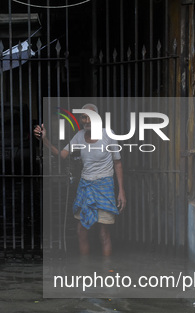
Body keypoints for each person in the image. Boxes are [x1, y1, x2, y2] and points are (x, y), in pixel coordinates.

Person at [34, 103, 126, 257]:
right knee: (81, 231)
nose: (87, 120)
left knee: (104, 233)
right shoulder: (78, 136)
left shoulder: (108, 135)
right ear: (81, 119)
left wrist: (122, 191)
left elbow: (118, 163)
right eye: (84, 116)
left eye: (91, 116)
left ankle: (106, 274)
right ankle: (84, 271)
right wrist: (45, 140)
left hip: (104, 185)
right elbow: (62, 155)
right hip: (85, 186)